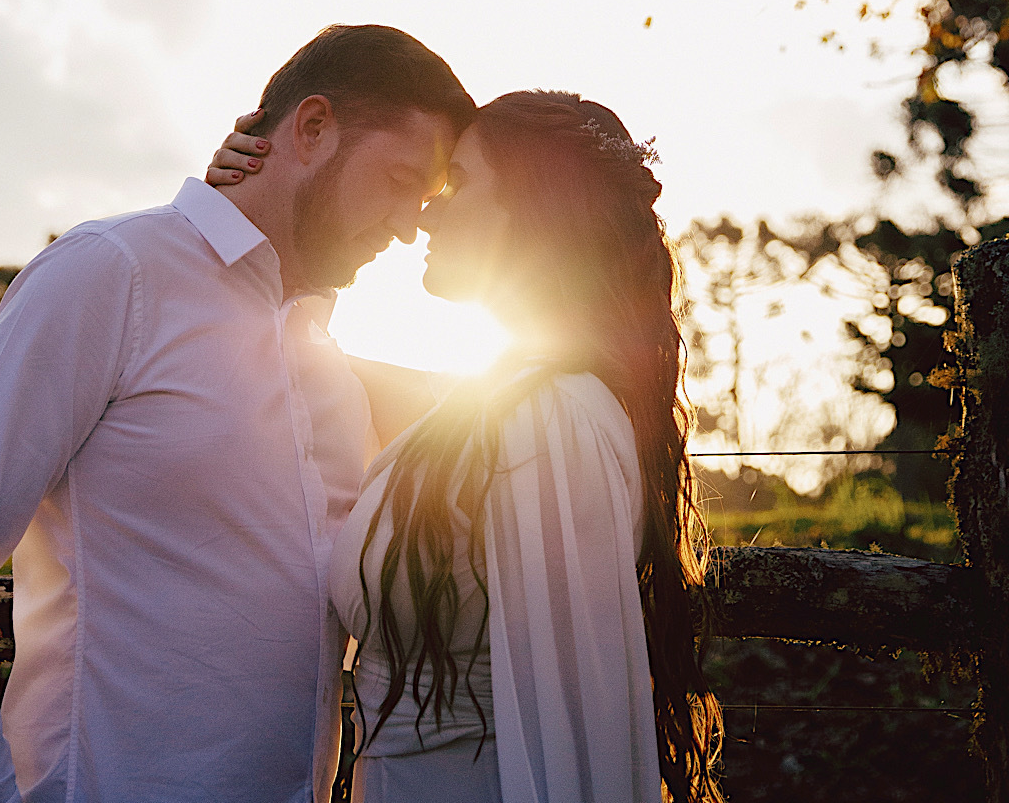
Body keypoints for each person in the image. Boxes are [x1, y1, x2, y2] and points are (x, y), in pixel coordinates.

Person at [0, 23, 475, 803]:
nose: (404, 225)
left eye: (423, 203)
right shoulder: (112, 272)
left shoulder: (323, 359)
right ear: (313, 128)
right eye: (397, 180)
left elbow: (508, 421)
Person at [212, 90, 722, 803]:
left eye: (457, 183)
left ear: (534, 212)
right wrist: (262, 208)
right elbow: (301, 362)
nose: (426, 209)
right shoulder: (493, 405)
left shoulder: (553, 423)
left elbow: (571, 728)